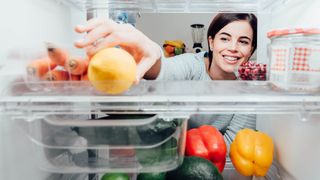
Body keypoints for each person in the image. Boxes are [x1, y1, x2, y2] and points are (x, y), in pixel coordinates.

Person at [74, 13, 257, 134]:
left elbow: (235, 144)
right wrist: (152, 53)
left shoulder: (250, 88)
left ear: (251, 50)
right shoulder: (193, 64)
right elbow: (166, 71)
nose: (232, 48)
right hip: (176, 159)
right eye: (224, 39)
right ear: (211, 42)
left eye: (243, 42)